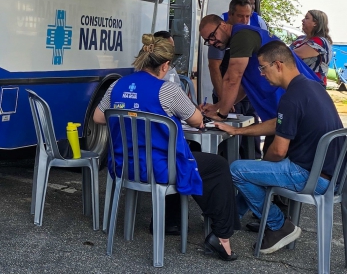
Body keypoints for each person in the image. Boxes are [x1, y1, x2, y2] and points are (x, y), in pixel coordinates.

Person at [94, 34, 238, 261]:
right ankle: (222, 237)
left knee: (183, 158)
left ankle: (171, 221)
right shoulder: (168, 91)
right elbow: (195, 119)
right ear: (165, 65)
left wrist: (131, 114)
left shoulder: (116, 85)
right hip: (159, 169)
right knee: (217, 165)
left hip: (124, 167)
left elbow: (99, 117)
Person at [215, 41, 344, 254]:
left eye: (262, 68)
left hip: (311, 177)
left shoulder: (291, 98)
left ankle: (278, 225)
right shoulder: (312, 87)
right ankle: (229, 220)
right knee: (255, 173)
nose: (261, 74)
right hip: (334, 175)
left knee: (238, 170)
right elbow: (278, 123)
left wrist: (260, 169)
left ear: (278, 64)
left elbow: (278, 151)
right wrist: (238, 131)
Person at [198, 13, 318, 124]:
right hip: (289, 104)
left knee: (277, 146)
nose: (212, 42)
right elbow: (241, 88)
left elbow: (232, 79)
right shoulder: (241, 38)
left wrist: (221, 114)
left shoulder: (241, 37)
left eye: (212, 36)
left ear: (223, 25)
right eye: (208, 41)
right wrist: (218, 106)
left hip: (298, 101)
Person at [207, 0, 267, 102]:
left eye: (247, 15)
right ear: (231, 13)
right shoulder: (221, 24)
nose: (244, 20)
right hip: (228, 89)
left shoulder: (258, 21)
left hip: (251, 90)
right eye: (240, 15)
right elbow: (214, 66)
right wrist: (222, 97)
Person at [290, 10, 333, 85]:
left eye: (306, 18)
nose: (302, 20)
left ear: (315, 23)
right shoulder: (300, 38)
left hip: (313, 85)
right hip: (297, 82)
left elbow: (295, 54)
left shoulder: (320, 41)